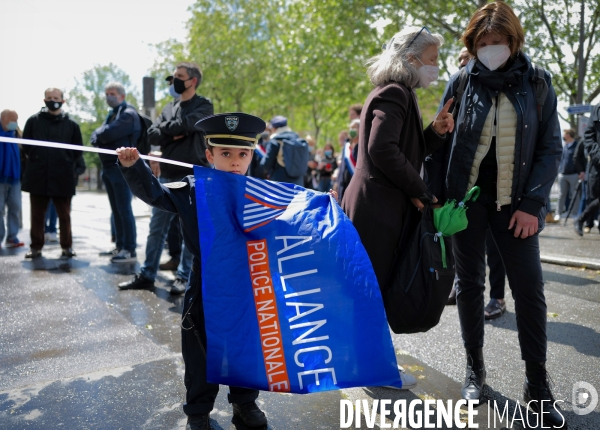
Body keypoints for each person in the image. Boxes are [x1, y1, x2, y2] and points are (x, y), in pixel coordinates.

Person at [429, 3, 565, 428]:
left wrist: (533, 205)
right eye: (482, 43)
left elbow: (550, 149)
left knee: (530, 292)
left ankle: (537, 383)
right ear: (472, 45)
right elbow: (440, 144)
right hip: (467, 205)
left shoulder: (538, 83)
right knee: (469, 286)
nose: (490, 50)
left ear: (513, 41)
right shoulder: (461, 80)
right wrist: (438, 132)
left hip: (516, 208)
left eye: (497, 42)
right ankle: (475, 369)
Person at [116, 113, 268, 430]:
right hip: (206, 281)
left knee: (243, 344)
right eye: (226, 154)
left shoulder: (261, 193)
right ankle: (198, 410)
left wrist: (322, 204)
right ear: (209, 155)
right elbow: (156, 194)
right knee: (199, 347)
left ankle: (245, 402)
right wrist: (133, 167)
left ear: (251, 154)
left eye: (243, 154)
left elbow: (292, 218)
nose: (235, 162)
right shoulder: (191, 189)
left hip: (245, 281)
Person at [342, 25, 453, 390]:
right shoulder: (395, 92)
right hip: (379, 209)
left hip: (378, 205)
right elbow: (382, 150)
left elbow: (400, 149)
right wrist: (422, 190)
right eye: (433, 59)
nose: (437, 66)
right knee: (371, 290)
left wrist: (434, 133)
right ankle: (377, 369)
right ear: (411, 58)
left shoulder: (398, 92)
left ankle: (368, 363)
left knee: (368, 289)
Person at [118, 62, 214, 295]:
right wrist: (177, 133)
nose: (174, 80)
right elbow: (153, 132)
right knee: (156, 228)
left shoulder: (204, 105)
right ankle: (147, 273)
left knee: (189, 232)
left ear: (193, 81)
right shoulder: (169, 107)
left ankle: (183, 277)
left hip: (194, 177)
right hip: (167, 177)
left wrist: (170, 132)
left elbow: (191, 123)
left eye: (179, 76)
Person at [22, 88, 84, 259]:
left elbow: (78, 150)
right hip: (38, 175)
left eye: (55, 97)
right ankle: (36, 247)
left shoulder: (72, 125)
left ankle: (67, 247)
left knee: (64, 215)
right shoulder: (33, 121)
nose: (52, 100)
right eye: (49, 97)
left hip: (62, 177)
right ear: (44, 100)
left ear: (63, 101)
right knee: (36, 215)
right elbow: (26, 146)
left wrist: (64, 161)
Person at [91, 82, 141, 263]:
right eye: (106, 93)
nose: (108, 97)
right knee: (116, 210)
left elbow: (106, 135)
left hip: (122, 169)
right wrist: (100, 134)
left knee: (124, 209)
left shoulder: (128, 114)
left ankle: (129, 249)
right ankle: (120, 246)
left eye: (112, 93)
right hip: (109, 168)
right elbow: (97, 137)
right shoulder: (111, 115)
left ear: (122, 96)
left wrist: (100, 134)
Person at [259, 116, 308, 186]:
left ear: (274, 128)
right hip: (298, 185)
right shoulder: (298, 140)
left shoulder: (275, 142)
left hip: (280, 185)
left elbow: (266, 165)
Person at [574, 102, 600, 236]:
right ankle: (583, 221)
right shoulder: (597, 109)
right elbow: (589, 137)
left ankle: (581, 219)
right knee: (593, 197)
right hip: (597, 165)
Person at [0, 109, 24, 249]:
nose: (14, 123)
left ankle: (12, 236)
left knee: (15, 208)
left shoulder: (17, 135)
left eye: (16, 120)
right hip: (0, 179)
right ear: (3, 119)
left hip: (15, 179)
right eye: (12, 120)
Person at [555, 128, 582, 220]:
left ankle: (574, 213)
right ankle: (558, 213)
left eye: (565, 134)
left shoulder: (577, 145)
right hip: (562, 174)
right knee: (561, 194)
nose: (563, 136)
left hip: (574, 174)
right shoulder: (564, 146)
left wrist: (580, 172)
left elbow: (579, 159)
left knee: (575, 195)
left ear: (569, 135)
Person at [336, 119, 359, 201]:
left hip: (355, 186)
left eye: (354, 128)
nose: (352, 130)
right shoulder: (347, 146)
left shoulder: (362, 147)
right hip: (343, 185)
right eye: (350, 128)